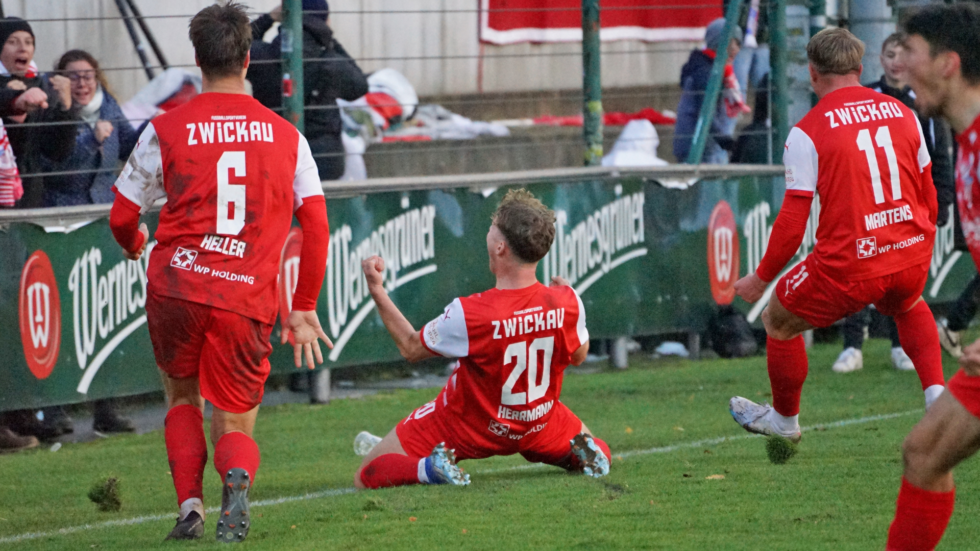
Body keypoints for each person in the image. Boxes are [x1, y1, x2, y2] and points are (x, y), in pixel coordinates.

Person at [108, 3, 332, 542]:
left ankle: (190, 507)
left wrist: (137, 241)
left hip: (177, 284)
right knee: (235, 414)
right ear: (249, 58)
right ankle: (237, 477)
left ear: (196, 59)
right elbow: (317, 227)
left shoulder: (164, 128)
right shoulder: (286, 135)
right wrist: (301, 307)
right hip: (245, 295)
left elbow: (120, 216)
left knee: (182, 399)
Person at [727, 28, 946, 446]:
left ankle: (785, 422)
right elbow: (928, 189)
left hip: (851, 262)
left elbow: (794, 220)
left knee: (778, 318)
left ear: (813, 74)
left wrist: (761, 276)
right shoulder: (903, 112)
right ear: (860, 69)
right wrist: (920, 237)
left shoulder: (807, 131)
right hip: (910, 247)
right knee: (908, 301)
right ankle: (936, 397)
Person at [352, 189, 610, 489]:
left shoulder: (471, 312)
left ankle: (429, 469)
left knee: (367, 473)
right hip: (537, 422)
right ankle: (590, 455)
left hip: (467, 424)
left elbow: (410, 347)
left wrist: (377, 289)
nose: (487, 233)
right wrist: (568, 303)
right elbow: (578, 357)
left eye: (492, 228)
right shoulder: (568, 300)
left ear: (500, 247)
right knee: (596, 447)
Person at [884, 6, 980, 548]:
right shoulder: (966, 145)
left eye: (909, 51)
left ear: (947, 63)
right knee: (924, 454)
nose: (898, 65)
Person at [832, 32, 958, 375]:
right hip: (867, 205)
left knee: (902, 281)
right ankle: (852, 347)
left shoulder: (924, 103)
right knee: (858, 275)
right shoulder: (863, 97)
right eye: (890, 53)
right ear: (880, 59)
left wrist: (940, 206)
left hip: (910, 210)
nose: (896, 61)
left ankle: (901, 346)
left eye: (903, 54)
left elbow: (940, 160)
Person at [248, 0, 368, 180]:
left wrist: (269, 18)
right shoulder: (331, 62)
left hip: (274, 161)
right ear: (323, 20)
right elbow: (360, 86)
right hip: (324, 163)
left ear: (285, 17)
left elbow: (237, 45)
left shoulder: (260, 56)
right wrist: (328, 38)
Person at [40, 49, 149, 207]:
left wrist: (152, 126)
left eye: (87, 77)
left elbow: (128, 148)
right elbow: (54, 166)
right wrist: (92, 140)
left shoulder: (107, 105)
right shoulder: (52, 110)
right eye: (74, 77)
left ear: (96, 79)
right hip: (65, 210)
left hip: (106, 205)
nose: (82, 83)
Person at [0, 17, 77, 208]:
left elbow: (57, 152)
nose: (22, 48)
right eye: (12, 42)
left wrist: (65, 108)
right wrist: (14, 104)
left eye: (28, 42)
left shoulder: (42, 85)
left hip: (30, 194)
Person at [673, 18, 748, 164]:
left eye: (739, 45)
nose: (737, 50)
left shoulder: (710, 68)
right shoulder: (706, 73)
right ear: (719, 43)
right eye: (734, 44)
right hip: (697, 146)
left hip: (700, 144)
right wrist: (725, 141)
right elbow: (706, 112)